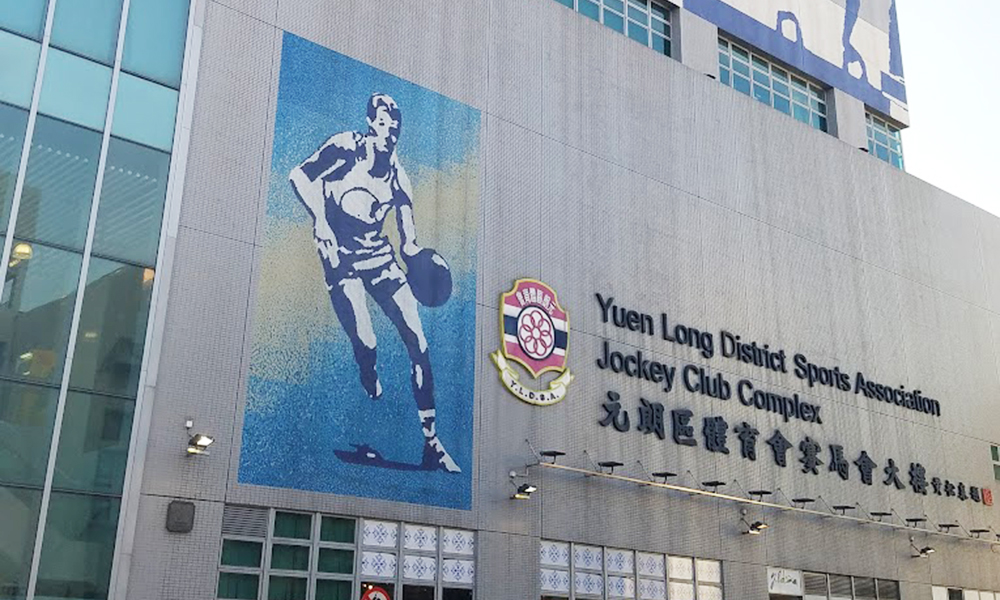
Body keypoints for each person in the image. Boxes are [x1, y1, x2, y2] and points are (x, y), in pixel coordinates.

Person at [289, 93, 460, 473]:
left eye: (395, 126)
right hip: (340, 259)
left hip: (379, 257)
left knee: (419, 342)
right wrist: (319, 219)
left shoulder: (400, 179)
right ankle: (368, 370)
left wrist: (423, 264)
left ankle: (431, 443)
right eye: (383, 123)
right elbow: (299, 175)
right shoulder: (345, 148)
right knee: (366, 341)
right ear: (371, 123)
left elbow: (409, 242)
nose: (389, 131)